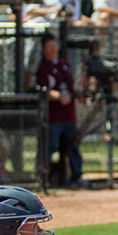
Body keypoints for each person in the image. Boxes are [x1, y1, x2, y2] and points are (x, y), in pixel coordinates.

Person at [34, 32, 88, 189]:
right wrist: (59, 96)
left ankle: (76, 177)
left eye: (54, 45)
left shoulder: (64, 64)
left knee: (72, 147)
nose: (52, 49)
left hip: (69, 115)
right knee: (49, 147)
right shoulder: (43, 68)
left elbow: (70, 87)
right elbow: (43, 91)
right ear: (43, 49)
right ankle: (43, 178)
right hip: (54, 117)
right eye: (49, 46)